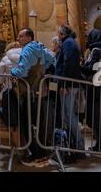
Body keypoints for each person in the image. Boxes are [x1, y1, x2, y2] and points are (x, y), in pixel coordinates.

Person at [11, 28, 55, 167]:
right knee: (39, 121)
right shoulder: (39, 46)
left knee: (27, 122)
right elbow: (51, 59)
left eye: (21, 35)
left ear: (29, 37)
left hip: (29, 91)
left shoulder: (28, 49)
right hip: (39, 91)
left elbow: (22, 71)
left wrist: (13, 71)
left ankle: (34, 153)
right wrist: (41, 72)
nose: (18, 38)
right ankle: (42, 152)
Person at [55, 25, 85, 157]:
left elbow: (68, 64)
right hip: (69, 84)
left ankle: (79, 146)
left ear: (62, 33)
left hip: (69, 85)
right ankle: (74, 145)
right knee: (67, 115)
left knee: (69, 115)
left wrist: (64, 84)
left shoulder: (68, 43)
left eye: (58, 32)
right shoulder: (70, 42)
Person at [0, 41, 22, 147]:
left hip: (9, 92)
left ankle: (17, 146)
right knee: (23, 121)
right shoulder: (27, 57)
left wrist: (4, 81)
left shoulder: (6, 59)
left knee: (12, 122)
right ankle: (25, 146)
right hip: (25, 92)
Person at [81, 28, 101, 151]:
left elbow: (91, 67)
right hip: (96, 88)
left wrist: (81, 67)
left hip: (96, 90)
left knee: (95, 117)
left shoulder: (96, 50)